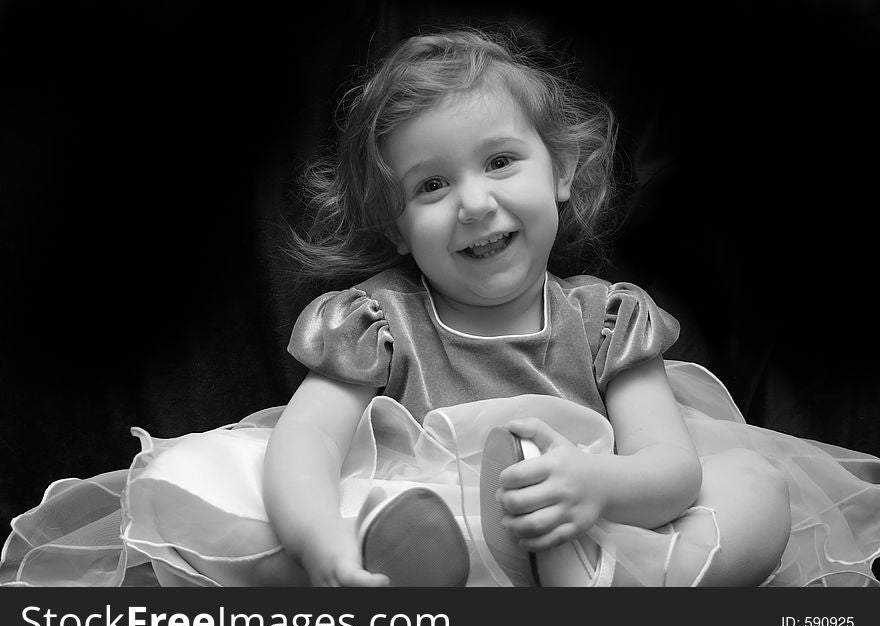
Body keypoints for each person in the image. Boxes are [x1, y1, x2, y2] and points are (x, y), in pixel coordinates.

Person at [2, 28, 878, 588]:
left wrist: (591, 485)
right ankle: (396, 560)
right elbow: (306, 444)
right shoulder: (378, 322)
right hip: (439, 528)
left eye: (500, 162)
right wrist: (321, 543)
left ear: (562, 173)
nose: (472, 203)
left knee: (755, 487)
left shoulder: (606, 320)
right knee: (226, 472)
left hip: (591, 519)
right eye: (432, 184)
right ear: (396, 220)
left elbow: (670, 467)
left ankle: (608, 587)